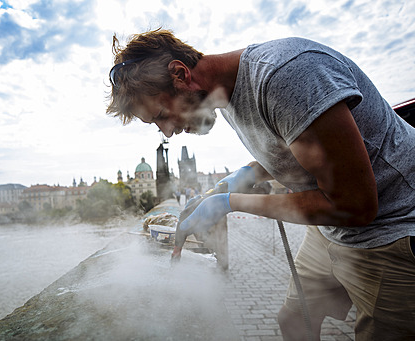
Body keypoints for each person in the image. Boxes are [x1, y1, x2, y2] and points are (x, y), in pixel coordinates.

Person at [106, 29, 415, 340]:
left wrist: (232, 202)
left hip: (391, 226)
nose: (167, 132)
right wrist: (240, 178)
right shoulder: (222, 97)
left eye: (161, 115)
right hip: (332, 230)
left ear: (180, 74)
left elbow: (355, 205)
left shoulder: (287, 76)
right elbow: (297, 150)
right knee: (295, 321)